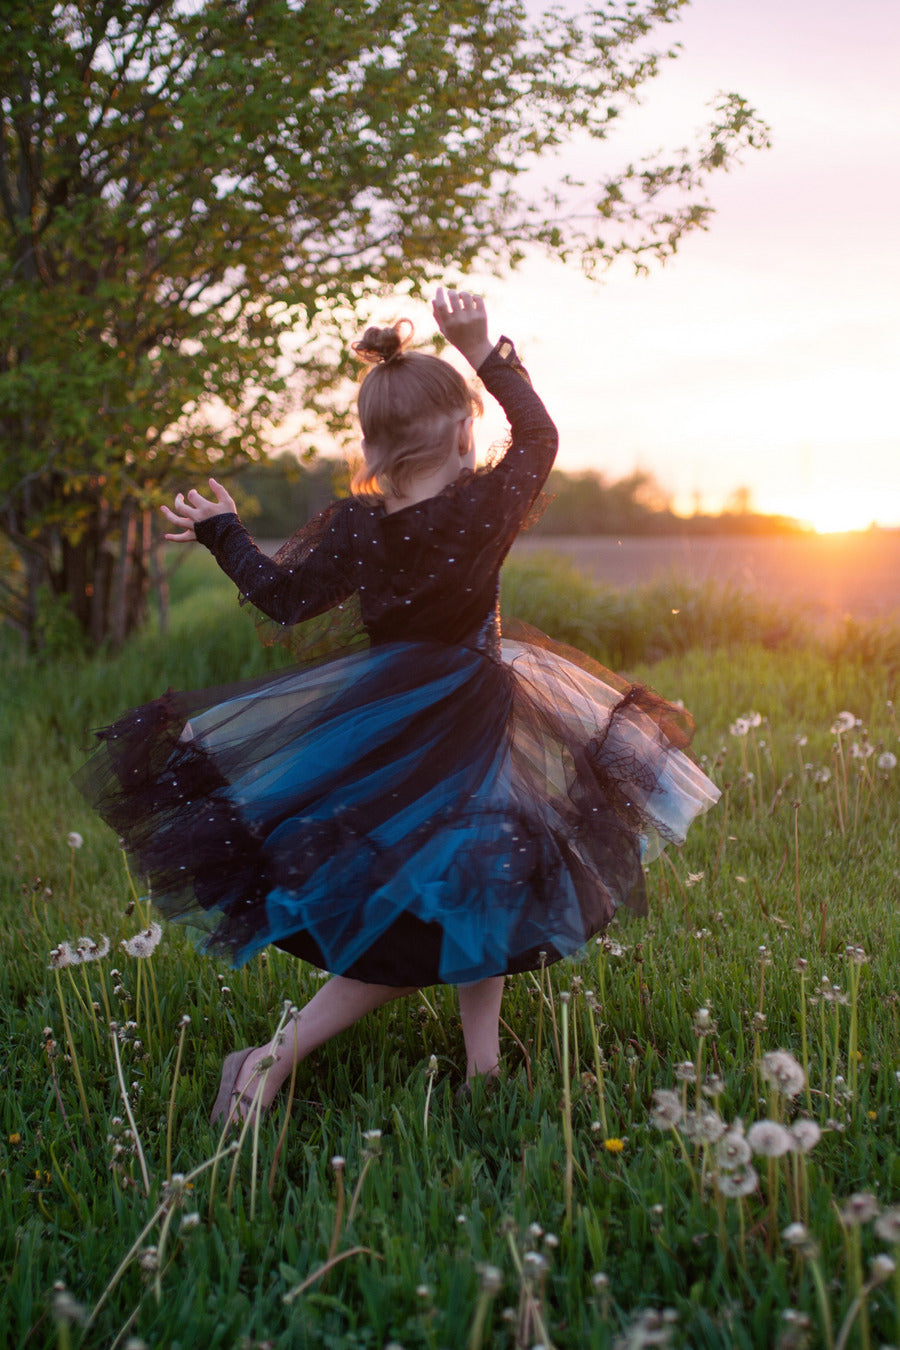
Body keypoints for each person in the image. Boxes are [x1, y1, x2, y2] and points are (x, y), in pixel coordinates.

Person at [78, 288, 719, 1126]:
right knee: (425, 914)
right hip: (457, 723)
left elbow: (278, 597)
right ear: (463, 432)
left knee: (481, 884)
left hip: (385, 726)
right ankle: (269, 1059)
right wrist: (482, 348)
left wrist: (225, 530)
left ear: (373, 447)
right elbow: (543, 439)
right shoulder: (485, 504)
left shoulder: (358, 526)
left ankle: (483, 1069)